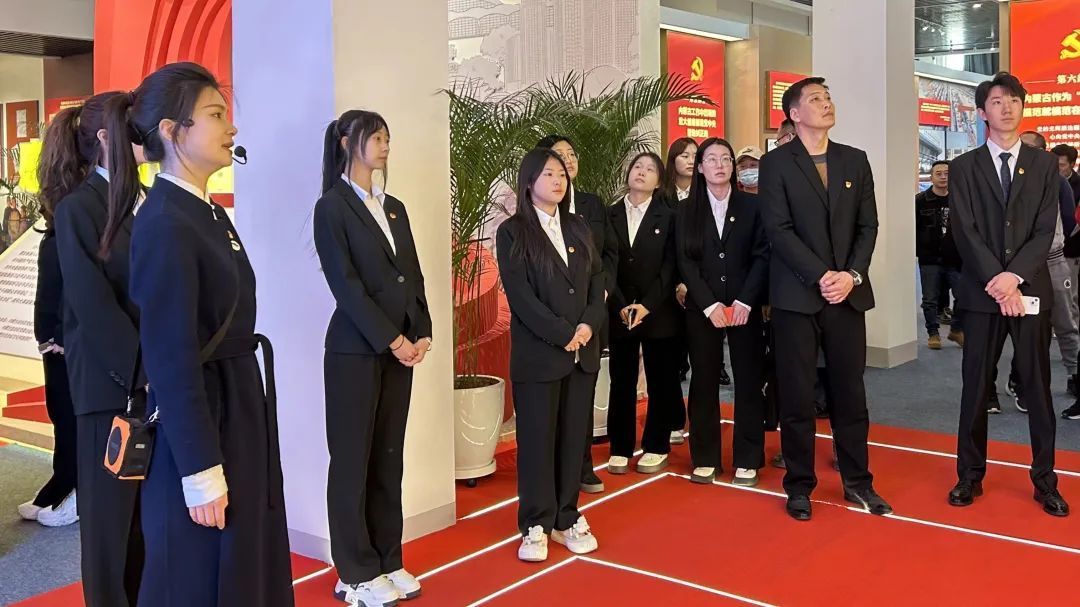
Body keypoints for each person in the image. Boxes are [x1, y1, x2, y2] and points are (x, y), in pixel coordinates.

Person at [108, 62, 294, 604]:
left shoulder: (205, 212)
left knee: (243, 563)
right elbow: (170, 356)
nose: (230, 127)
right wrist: (200, 469)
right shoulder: (165, 221)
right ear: (172, 131)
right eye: (215, 115)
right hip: (204, 418)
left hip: (237, 404)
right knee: (200, 574)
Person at [759, 76, 891, 521]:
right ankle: (799, 486)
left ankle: (858, 482)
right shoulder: (776, 164)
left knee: (850, 393)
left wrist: (850, 276)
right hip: (797, 297)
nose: (826, 103)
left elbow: (868, 226)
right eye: (816, 99)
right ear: (795, 114)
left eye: (828, 97)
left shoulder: (854, 159)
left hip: (847, 296)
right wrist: (821, 276)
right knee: (796, 397)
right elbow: (778, 229)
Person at [313, 109, 431, 606]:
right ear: (347, 142)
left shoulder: (393, 206)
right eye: (375, 138)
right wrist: (391, 339)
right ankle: (355, 571)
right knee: (352, 461)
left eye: (387, 138)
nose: (385, 146)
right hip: (355, 351)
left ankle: (387, 558)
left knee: (387, 455)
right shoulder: (332, 207)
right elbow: (347, 287)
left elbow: (413, 274)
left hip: (399, 351)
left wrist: (421, 331)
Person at [947, 72, 1068, 517]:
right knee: (976, 387)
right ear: (983, 112)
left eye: (1014, 100)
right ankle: (969, 476)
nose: (1007, 107)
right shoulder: (964, 167)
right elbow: (965, 230)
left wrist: (1014, 277)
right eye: (997, 101)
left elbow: (1044, 228)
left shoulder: (1043, 165)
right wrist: (997, 280)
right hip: (982, 294)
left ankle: (1045, 481)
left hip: (1029, 289)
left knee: (1037, 387)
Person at [48, 91, 146, 606]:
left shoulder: (150, 200)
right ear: (107, 139)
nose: (146, 135)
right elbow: (93, 304)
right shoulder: (79, 209)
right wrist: (146, 371)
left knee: (149, 523)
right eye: (134, 128)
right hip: (111, 386)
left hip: (155, 383)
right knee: (110, 527)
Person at [497, 147, 605, 563]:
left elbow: (597, 282)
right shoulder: (513, 232)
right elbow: (521, 297)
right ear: (529, 182)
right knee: (538, 443)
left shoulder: (578, 226)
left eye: (561, 174)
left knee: (572, 440)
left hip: (581, 353)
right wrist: (564, 334)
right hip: (540, 355)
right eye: (547, 174)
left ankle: (566, 515)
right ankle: (536, 523)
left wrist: (588, 325)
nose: (557, 181)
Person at [677, 137, 769, 486]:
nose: (720, 165)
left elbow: (762, 255)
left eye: (726, 159)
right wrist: (709, 304)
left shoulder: (753, 206)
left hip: (745, 306)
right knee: (703, 381)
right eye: (712, 159)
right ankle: (705, 457)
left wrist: (746, 301)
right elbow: (685, 261)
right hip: (704, 309)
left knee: (748, 379)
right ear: (700, 167)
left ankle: (748, 457)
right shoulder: (685, 210)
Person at [536, 135, 616, 495]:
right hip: (552, 324)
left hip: (590, 315)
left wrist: (602, 294)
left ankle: (582, 467)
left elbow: (608, 254)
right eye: (556, 159)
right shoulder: (528, 219)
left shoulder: (590, 205)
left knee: (582, 397)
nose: (566, 163)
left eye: (571, 155)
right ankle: (551, 479)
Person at [21, 110, 82, 530]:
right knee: (60, 407)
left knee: (74, 410)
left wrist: (61, 330)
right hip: (56, 325)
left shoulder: (89, 202)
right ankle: (63, 479)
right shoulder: (65, 200)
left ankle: (77, 485)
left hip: (72, 329)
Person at [604, 152, 682, 475]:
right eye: (637, 167)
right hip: (620, 310)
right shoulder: (609, 214)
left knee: (660, 379)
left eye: (650, 169)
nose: (642, 172)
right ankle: (620, 447)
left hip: (658, 310)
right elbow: (604, 263)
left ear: (659, 181)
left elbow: (671, 265)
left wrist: (647, 304)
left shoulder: (670, 216)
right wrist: (620, 303)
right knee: (621, 380)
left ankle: (656, 445)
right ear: (628, 173)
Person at [661, 137, 697, 438]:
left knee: (701, 359)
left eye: (696, 155)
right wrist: (675, 283)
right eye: (684, 155)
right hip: (667, 287)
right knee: (670, 360)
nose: (691, 160)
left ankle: (700, 421)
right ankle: (674, 419)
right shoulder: (661, 197)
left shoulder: (706, 194)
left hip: (698, 287)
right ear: (673, 159)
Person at [916, 160, 965, 349]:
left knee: (963, 295)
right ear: (931, 177)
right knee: (930, 299)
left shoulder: (960, 199)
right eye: (939, 173)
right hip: (930, 258)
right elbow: (914, 228)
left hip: (956, 258)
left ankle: (956, 329)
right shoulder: (920, 200)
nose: (943, 177)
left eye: (947, 173)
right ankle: (933, 333)